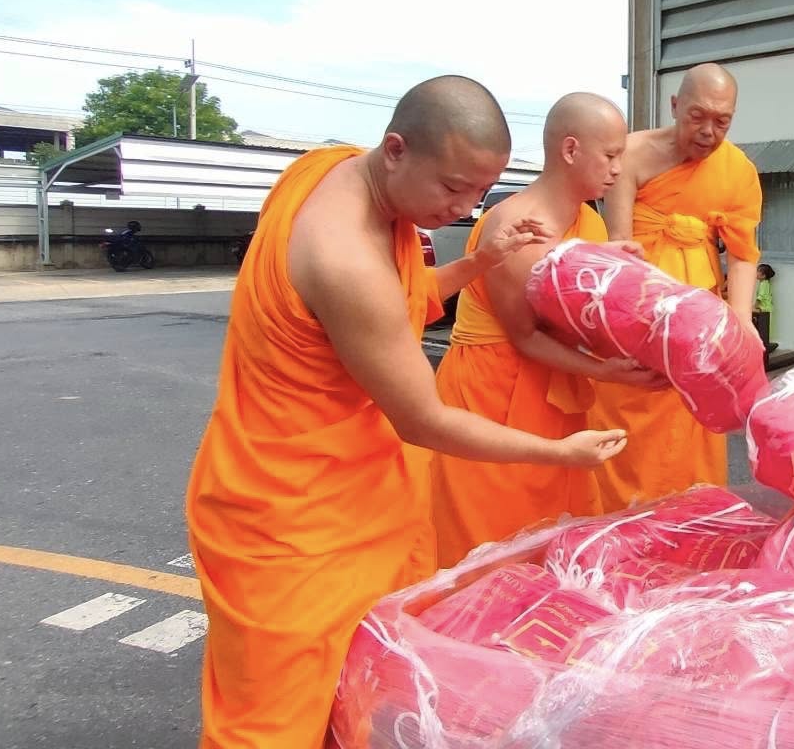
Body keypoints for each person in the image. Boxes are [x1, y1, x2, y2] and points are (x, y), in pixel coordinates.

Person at [184, 75, 628, 748]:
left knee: (354, 689)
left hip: (352, 492)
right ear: (396, 149)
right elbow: (423, 419)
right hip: (288, 515)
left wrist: (481, 259)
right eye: (452, 188)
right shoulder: (345, 260)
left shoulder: (327, 169)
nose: (464, 205)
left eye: (479, 192)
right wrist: (559, 452)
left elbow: (399, 301)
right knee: (271, 722)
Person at [428, 93, 666, 568]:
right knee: (489, 541)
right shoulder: (518, 226)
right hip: (496, 392)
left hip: (554, 393)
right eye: (611, 155)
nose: (619, 169)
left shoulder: (590, 221)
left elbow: (591, 316)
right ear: (571, 149)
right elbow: (526, 337)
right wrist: (612, 372)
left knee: (552, 532)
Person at [588, 62, 763, 510]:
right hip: (637, 312)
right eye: (697, 116)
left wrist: (740, 322)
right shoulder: (630, 154)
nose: (708, 131)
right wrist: (635, 325)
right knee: (629, 412)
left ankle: (690, 528)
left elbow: (742, 254)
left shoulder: (738, 171)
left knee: (693, 422)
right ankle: (616, 529)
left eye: (722, 121)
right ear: (674, 106)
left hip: (698, 321)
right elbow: (619, 247)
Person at [752, 263, 777, 352]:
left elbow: (760, 297)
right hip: (766, 308)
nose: (756, 273)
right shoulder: (765, 283)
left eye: (758, 272)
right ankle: (763, 343)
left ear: (763, 275)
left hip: (764, 308)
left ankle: (761, 344)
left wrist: (755, 306)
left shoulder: (763, 284)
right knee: (764, 327)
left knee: (762, 327)